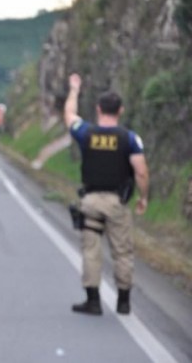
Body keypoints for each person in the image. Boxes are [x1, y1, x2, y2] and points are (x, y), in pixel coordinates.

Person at [64, 73, 149, 316]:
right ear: (120, 110)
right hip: (116, 202)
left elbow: (69, 116)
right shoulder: (130, 138)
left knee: (91, 250)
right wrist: (143, 198)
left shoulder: (86, 133)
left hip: (90, 201)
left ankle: (93, 301)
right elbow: (141, 172)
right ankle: (123, 302)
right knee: (122, 251)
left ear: (98, 109)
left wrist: (74, 90)